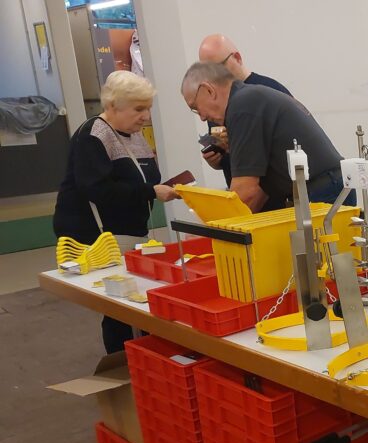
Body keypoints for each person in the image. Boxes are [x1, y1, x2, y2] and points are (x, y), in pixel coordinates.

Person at [53, 71, 179, 353]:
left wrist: (156, 189)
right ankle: (123, 361)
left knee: (135, 302)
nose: (146, 116)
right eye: (138, 109)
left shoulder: (134, 135)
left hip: (129, 234)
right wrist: (150, 192)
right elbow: (98, 190)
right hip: (99, 238)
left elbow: (141, 178)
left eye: (148, 108)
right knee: (119, 308)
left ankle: (142, 355)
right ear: (112, 106)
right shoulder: (93, 136)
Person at [180, 62, 349, 210]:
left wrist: (214, 228)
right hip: (326, 188)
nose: (202, 117)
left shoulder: (242, 107)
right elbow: (258, 190)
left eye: (195, 107)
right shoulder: (248, 99)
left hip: (323, 193)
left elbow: (246, 192)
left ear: (209, 90)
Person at [197, 34, 292, 186]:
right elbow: (230, 156)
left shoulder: (270, 91)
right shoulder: (216, 103)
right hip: (241, 189)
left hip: (275, 189)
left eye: (218, 68)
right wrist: (216, 160)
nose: (214, 76)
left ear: (237, 58)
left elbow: (287, 148)